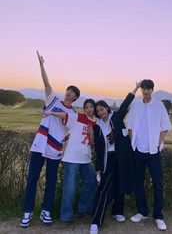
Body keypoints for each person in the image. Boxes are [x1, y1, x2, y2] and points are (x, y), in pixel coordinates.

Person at [20, 51, 80, 228]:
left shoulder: (73, 114)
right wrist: (41, 65)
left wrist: (49, 112)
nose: (68, 94)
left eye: (72, 94)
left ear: (75, 98)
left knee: (51, 182)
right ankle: (27, 212)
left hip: (55, 149)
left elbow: (65, 118)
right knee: (32, 180)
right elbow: (46, 82)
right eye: (68, 91)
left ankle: (46, 211)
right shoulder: (52, 98)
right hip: (39, 145)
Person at [89, 81, 141, 234]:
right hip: (109, 158)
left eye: (102, 109)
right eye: (98, 111)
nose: (100, 112)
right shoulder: (97, 127)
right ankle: (96, 220)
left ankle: (118, 211)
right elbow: (99, 150)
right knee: (104, 188)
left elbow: (125, 104)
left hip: (123, 157)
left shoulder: (116, 118)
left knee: (121, 183)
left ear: (107, 108)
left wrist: (136, 89)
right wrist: (98, 169)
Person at [127, 79, 172, 231]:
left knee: (158, 184)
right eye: (143, 89)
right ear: (141, 90)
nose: (145, 91)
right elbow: (130, 126)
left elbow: (165, 128)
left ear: (153, 90)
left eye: (148, 89)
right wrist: (133, 142)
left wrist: (158, 144)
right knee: (138, 182)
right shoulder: (135, 105)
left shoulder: (159, 106)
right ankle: (142, 212)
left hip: (153, 151)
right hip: (138, 150)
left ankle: (158, 216)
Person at [41, 99, 97, 222]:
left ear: (94, 108)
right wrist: (50, 112)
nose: (88, 109)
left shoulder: (95, 124)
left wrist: (91, 133)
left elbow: (91, 143)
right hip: (72, 158)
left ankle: (84, 209)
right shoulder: (78, 117)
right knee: (70, 187)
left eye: (91, 107)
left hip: (86, 159)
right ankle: (66, 216)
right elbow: (64, 115)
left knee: (91, 181)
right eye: (86, 107)